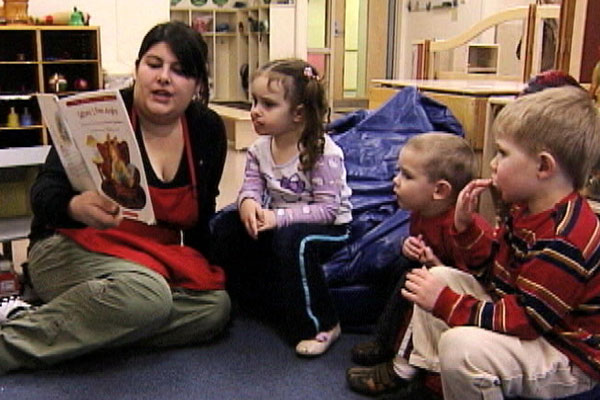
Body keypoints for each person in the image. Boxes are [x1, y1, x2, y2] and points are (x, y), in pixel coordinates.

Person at [0, 21, 230, 374]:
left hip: (151, 258)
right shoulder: (96, 114)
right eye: (154, 65)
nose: (164, 78)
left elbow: (203, 215)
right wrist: (74, 206)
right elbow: (43, 193)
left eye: (180, 71)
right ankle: (9, 344)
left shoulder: (206, 129)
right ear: (137, 68)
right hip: (68, 247)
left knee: (214, 309)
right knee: (149, 297)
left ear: (197, 84)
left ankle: (81, 330)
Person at [394, 85, 600, 400]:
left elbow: (525, 321)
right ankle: (435, 385)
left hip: (566, 354)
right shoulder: (525, 209)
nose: (492, 163)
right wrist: (466, 230)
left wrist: (447, 302)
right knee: (434, 278)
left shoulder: (564, 237)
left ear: (543, 167)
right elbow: (491, 274)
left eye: (502, 153)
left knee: (462, 348)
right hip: (531, 322)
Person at [211, 58, 352, 357]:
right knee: (226, 225)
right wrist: (248, 203)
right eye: (254, 101)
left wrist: (278, 218)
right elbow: (251, 187)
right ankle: (244, 301)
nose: (255, 111)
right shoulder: (259, 149)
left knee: (295, 242)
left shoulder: (322, 152)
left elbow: (327, 210)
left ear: (298, 113)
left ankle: (321, 324)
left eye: (268, 104)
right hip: (281, 221)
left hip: (327, 228)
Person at [346, 132, 485, 397]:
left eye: (407, 176)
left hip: (458, 302)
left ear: (440, 191)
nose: (395, 181)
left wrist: (433, 263)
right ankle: (386, 341)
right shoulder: (421, 213)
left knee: (418, 283)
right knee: (404, 270)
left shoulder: (459, 224)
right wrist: (408, 248)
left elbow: (471, 277)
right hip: (435, 280)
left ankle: (400, 368)